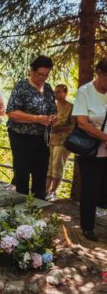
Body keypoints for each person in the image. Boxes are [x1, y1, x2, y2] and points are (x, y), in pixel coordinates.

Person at [6, 55, 57, 200]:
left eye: (46, 75)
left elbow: (53, 110)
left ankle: (37, 208)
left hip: (42, 137)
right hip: (21, 136)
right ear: (32, 71)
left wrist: (52, 118)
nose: (43, 78)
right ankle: (22, 211)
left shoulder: (47, 88)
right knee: (22, 173)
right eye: (40, 74)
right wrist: (37, 119)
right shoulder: (22, 86)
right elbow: (11, 111)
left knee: (41, 174)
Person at [71, 58, 107, 242]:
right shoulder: (85, 91)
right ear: (99, 73)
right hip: (91, 149)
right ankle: (87, 226)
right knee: (90, 189)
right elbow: (83, 123)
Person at [45, 84, 74, 201]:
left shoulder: (71, 107)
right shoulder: (53, 106)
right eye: (55, 92)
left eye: (59, 92)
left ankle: (53, 192)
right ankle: (45, 191)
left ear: (65, 93)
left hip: (63, 141)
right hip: (51, 139)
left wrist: (59, 128)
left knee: (57, 166)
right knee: (49, 166)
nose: (56, 94)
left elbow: (73, 126)